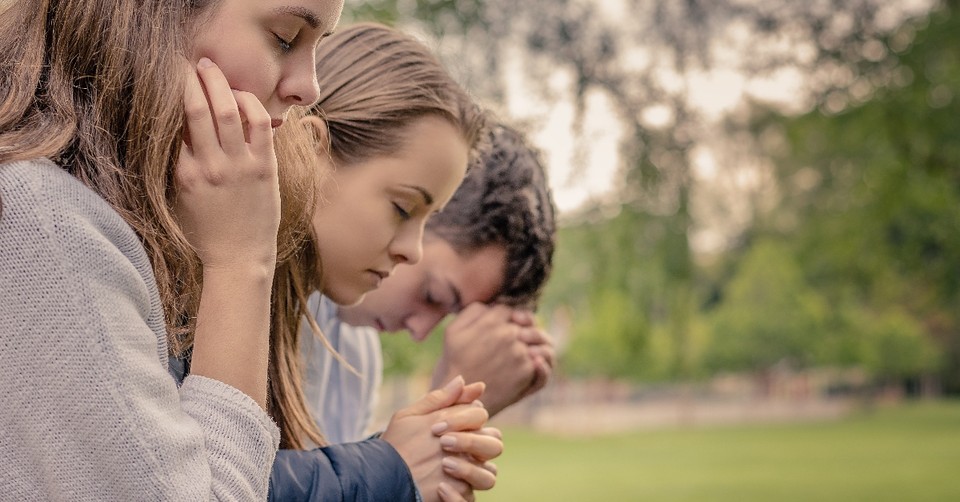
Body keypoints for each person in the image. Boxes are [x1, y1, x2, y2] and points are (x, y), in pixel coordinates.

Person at [0, 0, 343, 499]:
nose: (308, 87)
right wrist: (241, 262)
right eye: (286, 38)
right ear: (151, 16)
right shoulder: (44, 226)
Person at [301, 122, 559, 446]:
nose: (420, 332)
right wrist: (446, 416)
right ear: (416, 211)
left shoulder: (357, 354)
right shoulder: (263, 297)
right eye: (432, 295)